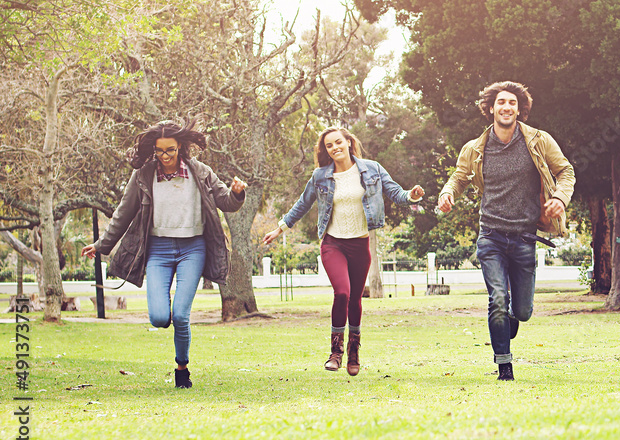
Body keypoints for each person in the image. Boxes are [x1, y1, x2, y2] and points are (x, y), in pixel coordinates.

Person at [82, 119, 246, 388]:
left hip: (193, 248)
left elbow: (226, 202)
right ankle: (174, 346)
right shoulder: (144, 175)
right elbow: (123, 214)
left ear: (180, 147)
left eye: (170, 150)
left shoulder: (200, 172)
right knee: (159, 317)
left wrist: (237, 193)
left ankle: (182, 368)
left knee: (181, 314)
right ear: (153, 151)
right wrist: (102, 245)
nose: (166, 157)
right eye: (160, 151)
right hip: (158, 249)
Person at [437, 81, 576, 381]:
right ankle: (504, 365)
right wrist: (447, 194)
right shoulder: (475, 148)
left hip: (525, 237)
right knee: (497, 298)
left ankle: (512, 316)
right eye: (501, 102)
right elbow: (459, 178)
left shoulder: (538, 140)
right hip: (491, 236)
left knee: (522, 311)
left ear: (519, 109)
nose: (506, 107)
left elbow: (565, 171)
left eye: (512, 103)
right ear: (490, 108)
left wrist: (559, 198)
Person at [263, 126, 424, 376]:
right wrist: (280, 228)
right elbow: (303, 203)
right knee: (342, 292)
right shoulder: (320, 176)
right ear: (326, 150)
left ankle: (354, 352)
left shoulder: (372, 169)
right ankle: (335, 352)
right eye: (329, 145)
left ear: (348, 142)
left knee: (356, 300)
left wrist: (411, 196)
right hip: (333, 243)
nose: (335, 147)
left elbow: (395, 193)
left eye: (338, 142)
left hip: (360, 244)